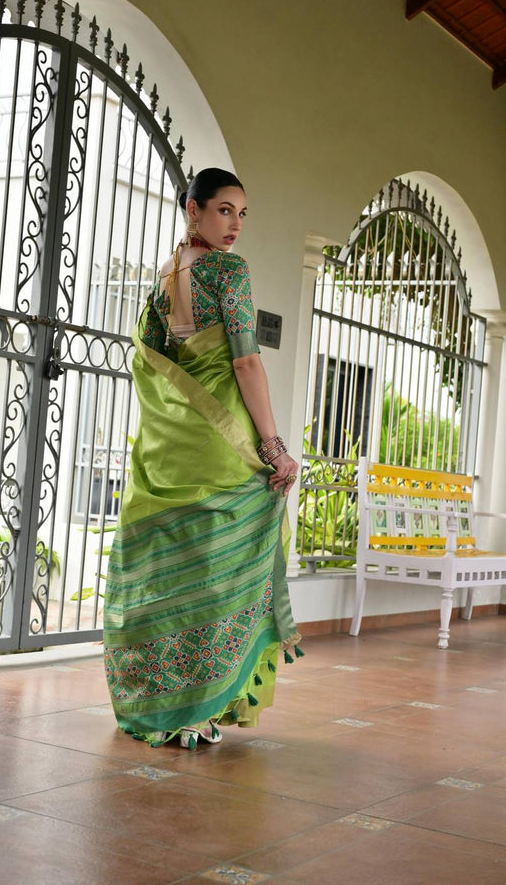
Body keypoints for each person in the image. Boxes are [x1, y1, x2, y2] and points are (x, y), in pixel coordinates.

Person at [103, 167, 302, 749]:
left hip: (168, 450)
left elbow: (155, 366)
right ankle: (202, 705)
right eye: (223, 210)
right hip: (222, 449)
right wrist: (273, 447)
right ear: (193, 209)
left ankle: (161, 703)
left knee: (168, 575)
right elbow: (245, 363)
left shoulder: (163, 279)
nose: (235, 225)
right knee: (217, 576)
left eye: (242, 214)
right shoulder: (228, 271)